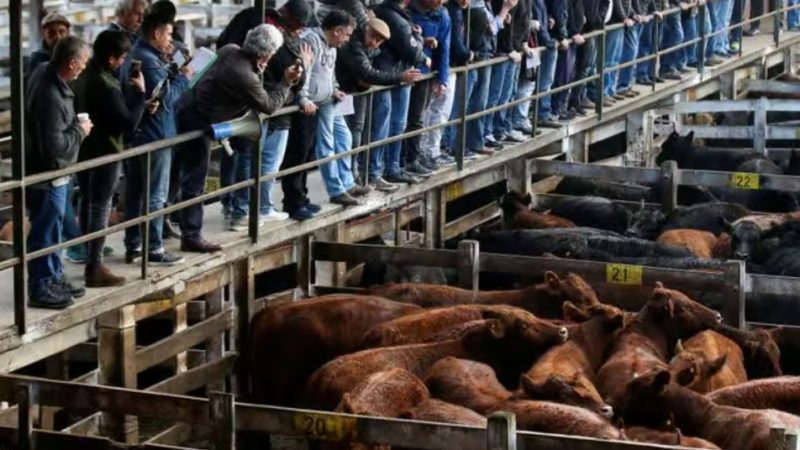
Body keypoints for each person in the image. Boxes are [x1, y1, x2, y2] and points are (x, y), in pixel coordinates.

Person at [174, 24, 302, 243]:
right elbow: (269, 105)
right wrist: (286, 82)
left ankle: (167, 222)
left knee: (176, 173)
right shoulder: (245, 75)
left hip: (186, 111)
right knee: (194, 181)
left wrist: (260, 68)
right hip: (199, 122)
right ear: (265, 54)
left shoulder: (229, 50)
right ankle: (192, 235)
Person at [216, 0, 314, 230]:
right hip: (265, 108)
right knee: (258, 161)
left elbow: (223, 42)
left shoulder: (245, 24)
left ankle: (240, 207)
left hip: (244, 106)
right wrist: (304, 67)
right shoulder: (281, 44)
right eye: (299, 25)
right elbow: (290, 86)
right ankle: (248, 210)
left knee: (243, 160)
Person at [74, 30, 150, 287]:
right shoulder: (105, 85)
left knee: (87, 201)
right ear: (111, 58)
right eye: (122, 57)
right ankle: (94, 265)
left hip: (84, 150)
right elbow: (127, 125)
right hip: (106, 151)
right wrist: (140, 96)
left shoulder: (83, 76)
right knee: (100, 206)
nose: (123, 62)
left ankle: (89, 257)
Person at [24, 36, 92, 309]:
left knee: (53, 231)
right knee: (45, 232)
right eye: (84, 63)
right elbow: (55, 146)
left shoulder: (44, 71)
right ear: (72, 64)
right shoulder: (51, 95)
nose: (85, 68)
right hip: (49, 175)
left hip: (53, 175)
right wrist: (80, 130)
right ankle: (40, 287)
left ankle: (52, 277)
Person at [121, 12, 191, 265]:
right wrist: (185, 77)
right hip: (156, 134)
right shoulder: (148, 62)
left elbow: (157, 92)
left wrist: (171, 68)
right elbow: (167, 100)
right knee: (155, 194)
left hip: (140, 135)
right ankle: (154, 248)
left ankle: (134, 245)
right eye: (169, 34)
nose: (171, 39)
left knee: (136, 192)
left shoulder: (137, 54)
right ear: (157, 33)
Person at [336, 18, 423, 189]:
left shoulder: (365, 45)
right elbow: (367, 72)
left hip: (353, 92)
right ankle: (349, 178)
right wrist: (400, 77)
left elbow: (367, 72)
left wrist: (419, 38)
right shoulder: (355, 44)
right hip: (343, 93)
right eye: (373, 38)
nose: (375, 44)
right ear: (366, 30)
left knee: (356, 133)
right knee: (346, 137)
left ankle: (354, 177)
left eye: (380, 41)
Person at [297, 10, 360, 207]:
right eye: (347, 34)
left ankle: (347, 183)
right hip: (316, 103)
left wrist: (335, 89)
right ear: (337, 31)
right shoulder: (311, 40)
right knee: (326, 145)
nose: (348, 39)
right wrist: (304, 98)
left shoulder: (333, 46)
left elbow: (329, 72)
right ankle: (336, 190)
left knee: (345, 137)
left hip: (328, 100)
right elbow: (304, 73)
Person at [371, 0, 431, 186]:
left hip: (399, 74)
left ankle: (390, 168)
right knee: (386, 126)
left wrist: (416, 38)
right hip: (392, 74)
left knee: (395, 125)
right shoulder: (395, 17)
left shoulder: (398, 14)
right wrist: (420, 41)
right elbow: (411, 51)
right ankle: (378, 171)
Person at [405, 0, 451, 174]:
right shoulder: (408, 10)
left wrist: (442, 78)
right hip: (405, 71)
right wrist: (422, 41)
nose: (439, 2)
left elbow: (444, 48)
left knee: (418, 118)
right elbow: (401, 38)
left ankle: (414, 156)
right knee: (402, 121)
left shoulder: (442, 14)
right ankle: (405, 159)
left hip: (425, 73)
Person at [24, 13, 70, 78]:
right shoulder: (36, 60)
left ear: (68, 33)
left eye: (62, 32)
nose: (57, 37)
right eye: (51, 32)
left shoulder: (76, 57)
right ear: (43, 34)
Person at [616, 0, 645, 98]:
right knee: (625, 54)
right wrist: (624, 17)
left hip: (630, 19)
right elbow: (618, 3)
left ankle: (626, 85)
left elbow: (628, 3)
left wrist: (634, 14)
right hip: (620, 22)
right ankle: (621, 87)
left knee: (632, 53)